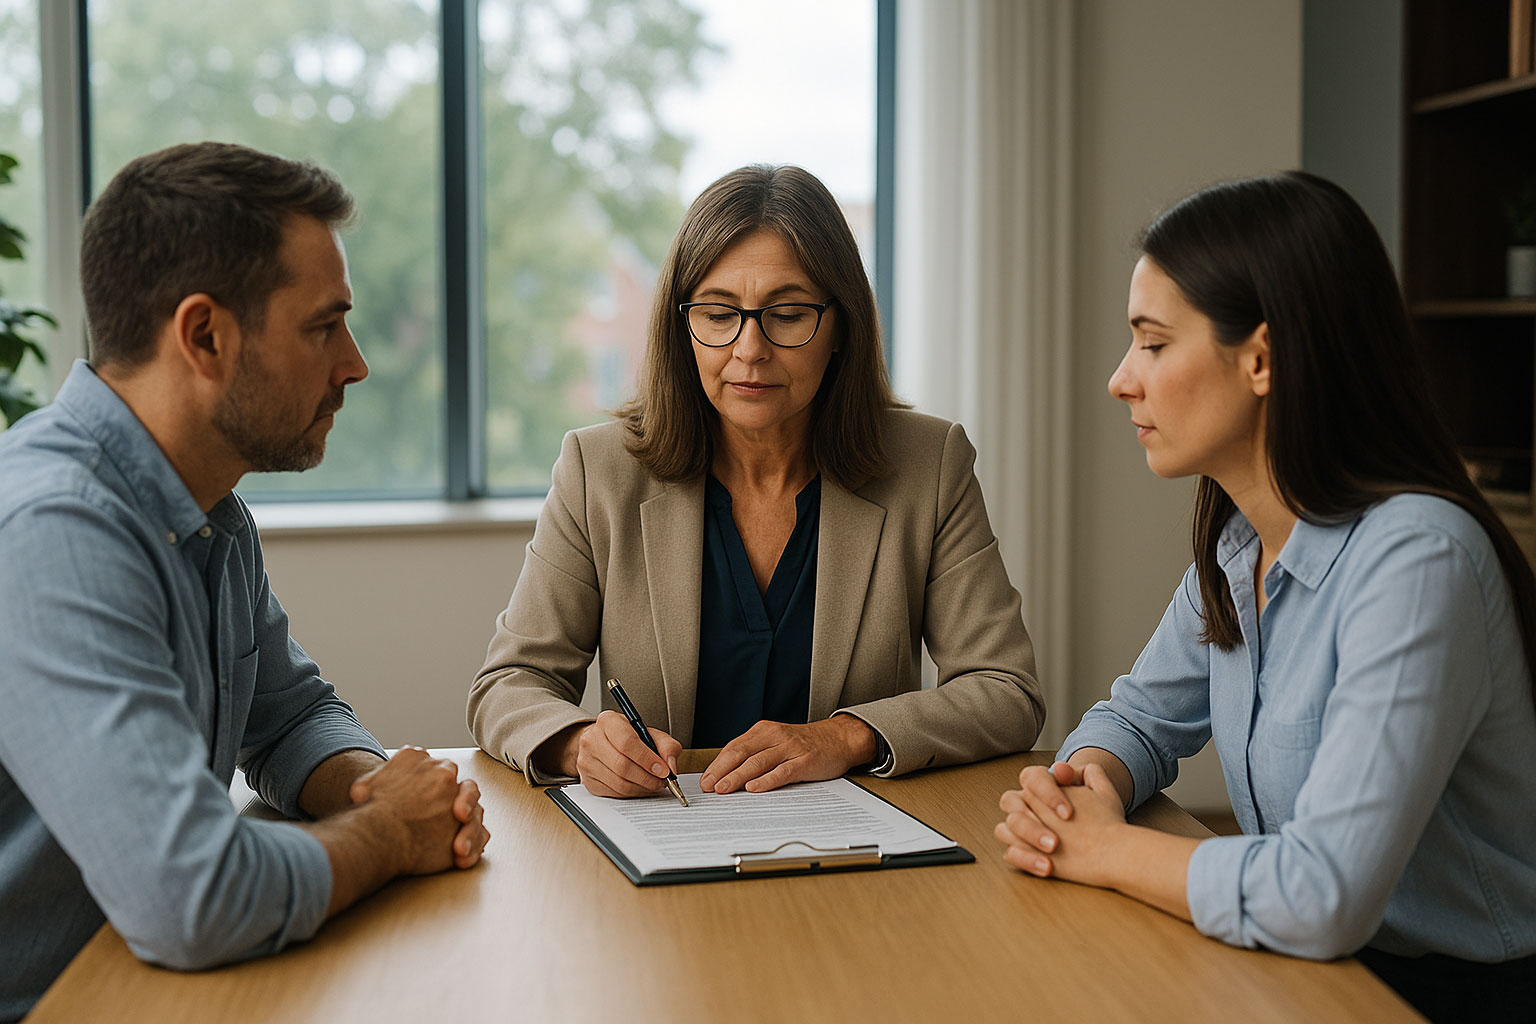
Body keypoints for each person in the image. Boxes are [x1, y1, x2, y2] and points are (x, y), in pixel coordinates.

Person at [994, 171, 1536, 1022]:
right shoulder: (1240, 544)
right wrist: (1087, 782)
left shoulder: (1417, 561)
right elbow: (1137, 719)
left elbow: (1321, 892)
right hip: (1307, 973)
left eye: (1153, 343)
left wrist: (1102, 849)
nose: (1120, 379)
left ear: (1262, 358)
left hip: (1444, 997)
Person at [0, 142, 490, 1022]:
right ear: (205, 336)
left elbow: (290, 714)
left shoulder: (206, 508)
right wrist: (386, 835)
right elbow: (192, 898)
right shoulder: (54, 530)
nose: (356, 363)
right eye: (323, 325)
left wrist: (373, 789)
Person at [469, 164, 1043, 797]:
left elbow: (1005, 690)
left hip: (857, 855)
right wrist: (580, 745)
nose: (749, 350)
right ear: (682, 326)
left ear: (840, 326)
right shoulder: (598, 471)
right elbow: (508, 685)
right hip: (665, 844)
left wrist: (843, 736)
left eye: (788, 314)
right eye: (719, 315)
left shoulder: (929, 465)